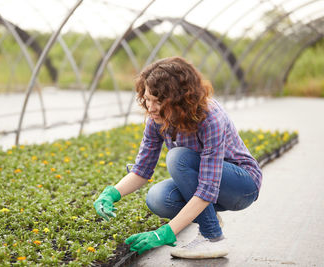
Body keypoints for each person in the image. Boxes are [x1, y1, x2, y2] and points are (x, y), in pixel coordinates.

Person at [93, 56, 262, 259]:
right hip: (210, 186)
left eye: (158, 101)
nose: (151, 108)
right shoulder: (156, 120)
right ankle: (210, 219)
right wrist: (111, 194)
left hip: (241, 186)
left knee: (178, 158)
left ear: (181, 99)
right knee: (158, 198)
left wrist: (165, 232)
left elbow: (209, 187)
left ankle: (212, 238)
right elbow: (142, 170)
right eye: (147, 99)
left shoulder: (210, 118)